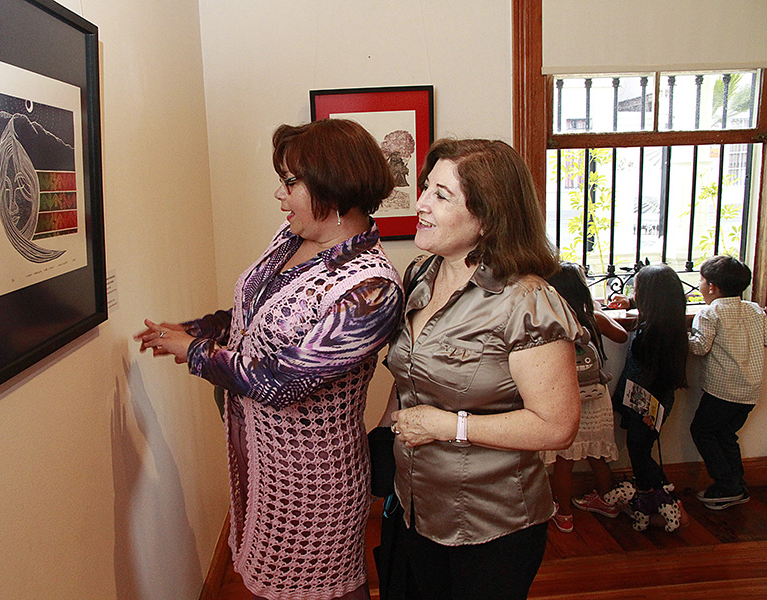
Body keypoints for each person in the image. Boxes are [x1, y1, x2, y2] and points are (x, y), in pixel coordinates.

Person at [135, 119, 404, 600]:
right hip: (260, 458)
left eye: (290, 182)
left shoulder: (372, 289)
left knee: (321, 590)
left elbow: (282, 382)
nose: (280, 195)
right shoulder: (292, 237)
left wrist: (195, 354)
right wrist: (198, 329)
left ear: (331, 186)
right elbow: (253, 315)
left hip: (312, 480)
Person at [380, 138, 583, 600]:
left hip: (492, 524)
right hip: (417, 507)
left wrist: (448, 426)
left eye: (441, 195)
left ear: (487, 218)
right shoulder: (420, 275)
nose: (420, 203)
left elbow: (557, 426)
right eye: (426, 188)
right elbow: (410, 375)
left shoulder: (527, 301)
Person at [542, 262, 628, 534]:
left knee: (564, 461)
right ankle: (607, 501)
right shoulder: (593, 319)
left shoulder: (552, 322)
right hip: (597, 397)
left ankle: (564, 514)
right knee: (597, 454)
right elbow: (622, 335)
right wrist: (597, 309)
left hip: (567, 399)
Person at [689, 255, 767, 510]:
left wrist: (681, 338)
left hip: (723, 391)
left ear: (712, 287)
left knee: (702, 431)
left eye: (701, 280)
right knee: (726, 434)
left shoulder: (710, 313)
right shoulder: (755, 310)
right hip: (750, 391)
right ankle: (737, 483)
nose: (699, 285)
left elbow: (699, 348)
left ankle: (727, 485)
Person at [609, 264, 688, 493]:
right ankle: (651, 492)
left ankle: (663, 495)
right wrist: (630, 303)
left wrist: (649, 414)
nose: (635, 295)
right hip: (648, 402)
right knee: (639, 448)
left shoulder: (654, 334)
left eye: (637, 292)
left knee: (639, 450)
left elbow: (657, 377)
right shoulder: (669, 323)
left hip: (648, 405)